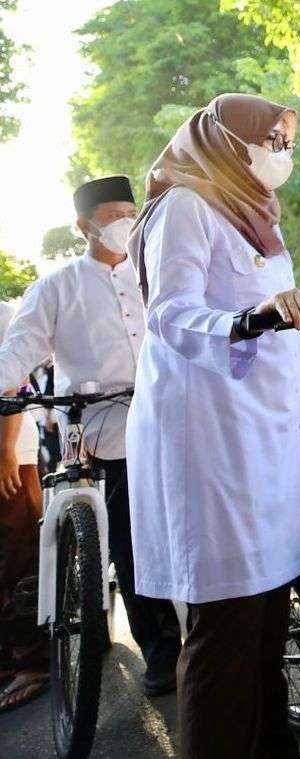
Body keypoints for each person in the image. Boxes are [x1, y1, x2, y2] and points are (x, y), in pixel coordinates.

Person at [126, 93, 300, 758]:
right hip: (211, 444)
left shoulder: (254, 216)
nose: (281, 149)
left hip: (262, 437)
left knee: (271, 616)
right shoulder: (188, 205)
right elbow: (171, 312)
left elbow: (271, 307)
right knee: (227, 628)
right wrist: (247, 321)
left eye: (285, 138)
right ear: (225, 139)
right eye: (270, 137)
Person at [0, 174, 183, 699]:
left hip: (169, 414)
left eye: (131, 212)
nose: (126, 223)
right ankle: (161, 647)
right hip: (103, 427)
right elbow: (20, 351)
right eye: (112, 217)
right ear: (84, 226)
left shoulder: (155, 272)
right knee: (128, 536)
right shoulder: (56, 288)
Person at [0, 300, 46, 714]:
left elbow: (12, 385)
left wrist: (5, 452)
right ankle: (6, 660)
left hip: (11, 453)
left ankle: (31, 662)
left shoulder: (4, 315)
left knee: (18, 560)